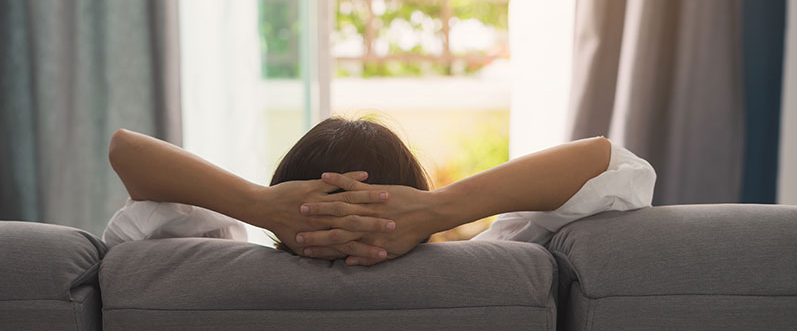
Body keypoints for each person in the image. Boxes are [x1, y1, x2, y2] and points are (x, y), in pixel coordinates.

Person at [103, 117, 656, 266]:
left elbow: (127, 152)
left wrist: (257, 207)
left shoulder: (204, 266)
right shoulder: (505, 271)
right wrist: (436, 211)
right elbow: (611, 165)